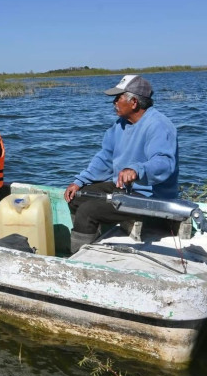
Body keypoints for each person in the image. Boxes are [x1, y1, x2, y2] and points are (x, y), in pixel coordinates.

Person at [63, 75, 179, 254]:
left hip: (150, 196)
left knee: (88, 211)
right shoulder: (120, 125)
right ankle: (92, 247)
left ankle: (77, 258)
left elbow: (164, 162)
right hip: (124, 189)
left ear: (134, 103)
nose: (114, 102)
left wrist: (137, 170)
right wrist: (79, 181)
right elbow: (105, 158)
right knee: (76, 197)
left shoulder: (158, 125)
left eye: (118, 98)